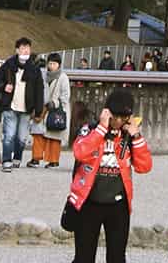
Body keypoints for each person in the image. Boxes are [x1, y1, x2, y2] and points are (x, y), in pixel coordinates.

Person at [65, 85, 153, 263]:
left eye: (124, 117)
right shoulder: (90, 130)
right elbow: (79, 152)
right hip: (89, 201)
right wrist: (101, 129)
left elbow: (144, 167)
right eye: (116, 116)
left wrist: (136, 137)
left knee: (117, 257)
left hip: (118, 205)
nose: (119, 121)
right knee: (83, 257)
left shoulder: (128, 137)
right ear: (107, 112)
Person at [0, 34, 45, 170]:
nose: (26, 51)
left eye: (28, 48)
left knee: (22, 138)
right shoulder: (8, 65)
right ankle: (6, 161)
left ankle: (17, 157)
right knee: (9, 135)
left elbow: (39, 90)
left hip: (26, 108)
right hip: (10, 106)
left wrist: (39, 109)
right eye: (23, 48)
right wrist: (4, 86)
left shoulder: (34, 69)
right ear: (17, 50)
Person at [29, 51, 71, 168]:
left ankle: (53, 160)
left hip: (55, 110)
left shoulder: (63, 78)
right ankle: (35, 158)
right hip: (42, 108)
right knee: (37, 134)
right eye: (50, 63)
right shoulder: (43, 75)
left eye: (54, 63)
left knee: (54, 136)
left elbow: (65, 96)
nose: (51, 66)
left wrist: (54, 103)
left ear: (59, 65)